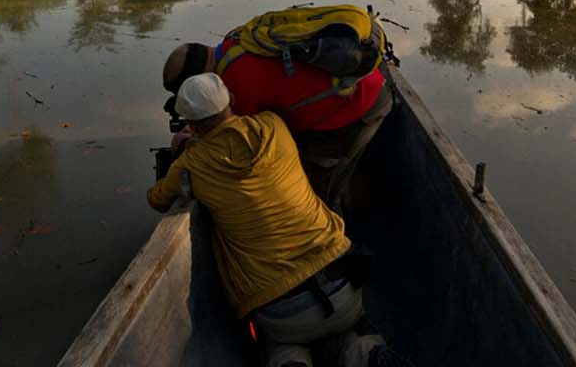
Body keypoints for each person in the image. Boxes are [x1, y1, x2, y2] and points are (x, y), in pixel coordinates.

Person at [147, 74, 403, 367]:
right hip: (343, 283)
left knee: (282, 343)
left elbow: (156, 199)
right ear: (231, 101)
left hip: (280, 311)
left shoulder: (191, 164)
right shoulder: (274, 126)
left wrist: (184, 148)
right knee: (350, 330)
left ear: (191, 125)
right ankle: (368, 352)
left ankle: (291, 362)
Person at [161, 37, 391, 210]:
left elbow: (238, 150)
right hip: (365, 81)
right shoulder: (235, 43)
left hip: (356, 105)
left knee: (315, 190)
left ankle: (333, 260)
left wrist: (189, 145)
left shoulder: (237, 85)